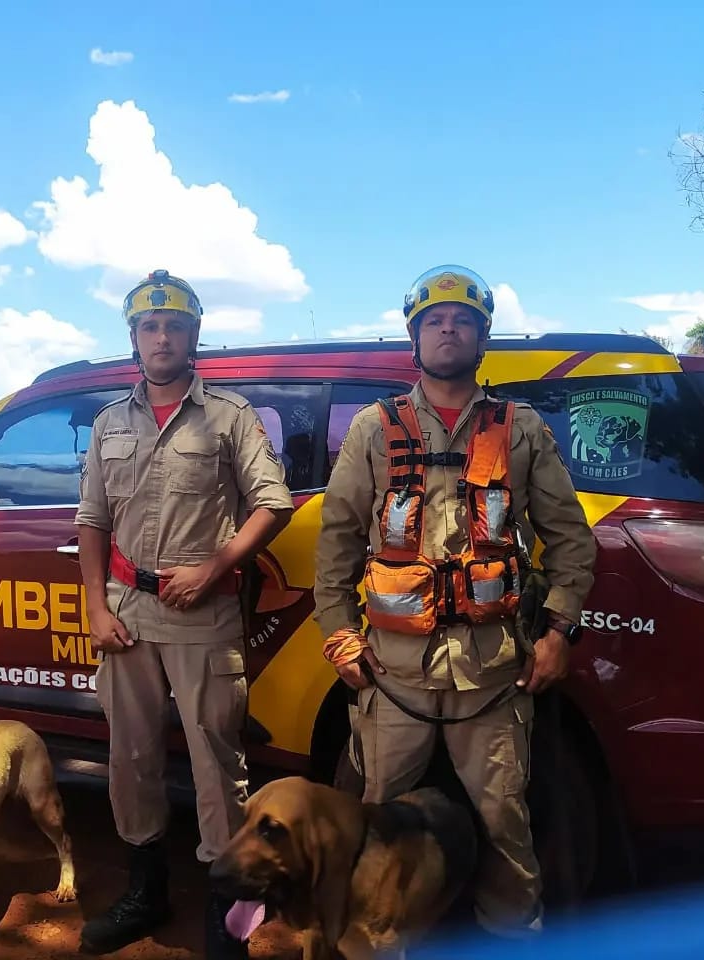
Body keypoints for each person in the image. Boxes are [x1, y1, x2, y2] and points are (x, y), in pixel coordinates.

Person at [313, 265, 597, 937]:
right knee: (378, 825)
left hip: (491, 677)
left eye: (462, 320)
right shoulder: (374, 428)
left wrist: (559, 631)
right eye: (435, 320)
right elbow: (337, 540)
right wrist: (338, 634)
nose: (448, 329)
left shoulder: (518, 427)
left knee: (505, 826)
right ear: (414, 336)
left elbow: (571, 541)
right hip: (393, 673)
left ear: (481, 336)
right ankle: (377, 944)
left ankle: (509, 939)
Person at [75, 270, 294, 958]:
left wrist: (215, 566)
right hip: (127, 610)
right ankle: (146, 891)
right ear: (134, 339)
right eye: (148, 326)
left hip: (204, 611)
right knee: (130, 758)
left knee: (215, 763)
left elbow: (274, 502)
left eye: (174, 325)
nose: (161, 337)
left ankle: (231, 913)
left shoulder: (230, 415)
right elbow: (91, 521)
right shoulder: (111, 422)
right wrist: (93, 604)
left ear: (194, 335)